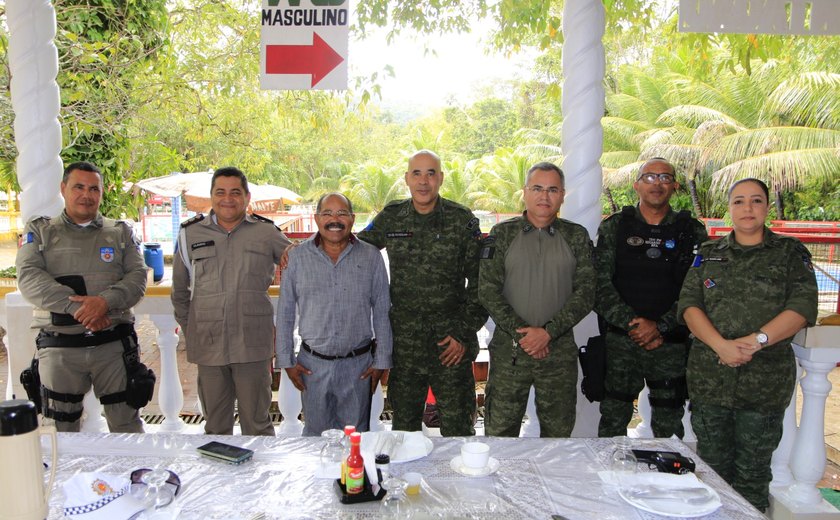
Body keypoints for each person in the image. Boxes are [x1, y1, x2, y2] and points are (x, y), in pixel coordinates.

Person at [678, 178, 817, 510]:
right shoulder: (708, 254)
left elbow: (801, 307)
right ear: (730, 208)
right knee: (711, 472)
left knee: (753, 475)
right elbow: (689, 305)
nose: (747, 208)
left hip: (763, 385)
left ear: (767, 207)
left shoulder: (789, 253)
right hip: (711, 379)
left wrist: (756, 342)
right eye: (739, 201)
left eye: (756, 200)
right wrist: (720, 346)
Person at [357, 150, 486, 436]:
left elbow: (481, 283)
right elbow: (354, 250)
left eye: (431, 173)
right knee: (404, 432)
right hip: (406, 347)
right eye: (417, 173)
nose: (423, 181)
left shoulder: (461, 220)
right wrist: (311, 247)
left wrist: (463, 334)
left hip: (450, 346)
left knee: (458, 432)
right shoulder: (392, 216)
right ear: (407, 179)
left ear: (440, 178)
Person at [16, 161, 148, 432]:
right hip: (60, 349)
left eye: (93, 189)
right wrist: (82, 311)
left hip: (113, 346)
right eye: (78, 187)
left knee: (127, 427)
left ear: (101, 193)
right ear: (63, 188)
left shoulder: (121, 232)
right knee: (59, 432)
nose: (86, 195)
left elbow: (137, 279)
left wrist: (104, 303)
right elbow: (30, 278)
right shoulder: (40, 231)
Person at [478, 162, 595, 437]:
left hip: (558, 352)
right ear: (525, 192)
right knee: (500, 433)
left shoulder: (576, 236)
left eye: (552, 189)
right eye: (537, 188)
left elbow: (587, 291)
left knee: (558, 435)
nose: (545, 196)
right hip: (511, 353)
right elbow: (487, 290)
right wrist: (526, 335)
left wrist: (548, 333)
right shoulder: (502, 234)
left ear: (563, 194)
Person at [172, 166, 290, 436]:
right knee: (215, 427)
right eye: (220, 192)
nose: (228, 199)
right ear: (211, 196)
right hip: (209, 346)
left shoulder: (266, 233)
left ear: (247, 197)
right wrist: (193, 330)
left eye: (235, 192)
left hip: (252, 345)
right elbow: (179, 292)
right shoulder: (190, 234)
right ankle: (218, 479)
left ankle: (259, 478)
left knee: (258, 425)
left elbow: (300, 263)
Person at [595, 158, 708, 439]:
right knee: (612, 422)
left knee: (669, 426)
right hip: (623, 342)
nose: (656, 184)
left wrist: (660, 326)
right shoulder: (615, 227)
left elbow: (698, 288)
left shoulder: (692, 231)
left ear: (675, 186)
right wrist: (635, 325)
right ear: (636, 186)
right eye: (649, 177)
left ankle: (668, 480)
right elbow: (598, 285)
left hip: (671, 345)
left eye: (664, 177)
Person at [276, 193, 392, 436]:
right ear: (317, 219)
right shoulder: (296, 258)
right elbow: (285, 313)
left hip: (358, 367)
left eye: (342, 213)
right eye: (327, 213)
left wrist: (381, 361)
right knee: (315, 440)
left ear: (352, 219)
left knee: (355, 441)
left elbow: (382, 312)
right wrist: (286, 361)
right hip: (312, 367)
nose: (334, 219)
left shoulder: (371, 257)